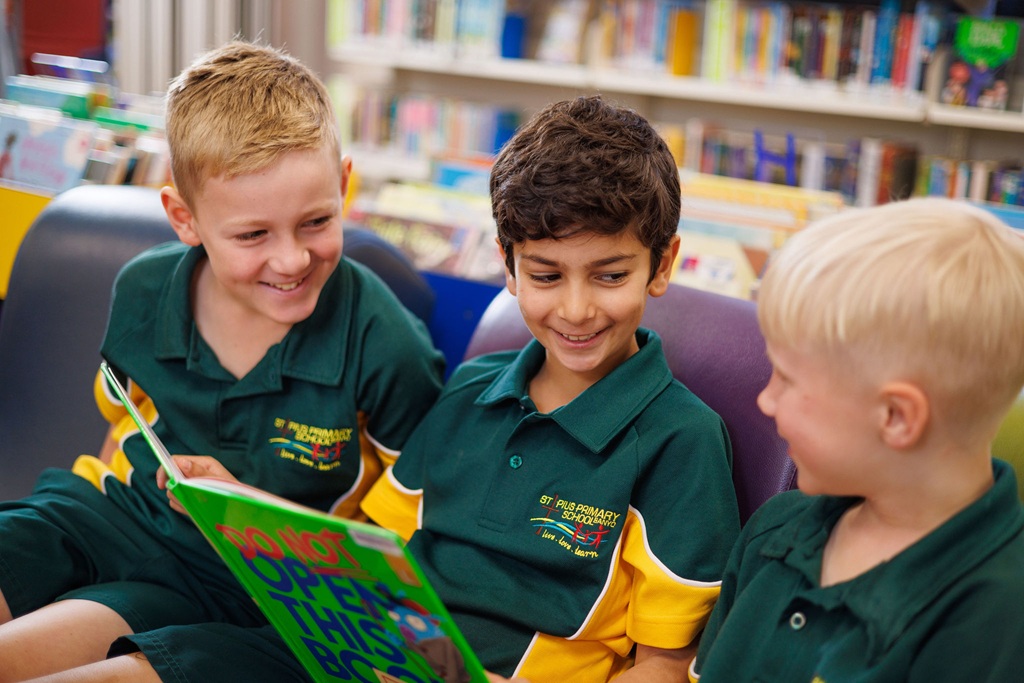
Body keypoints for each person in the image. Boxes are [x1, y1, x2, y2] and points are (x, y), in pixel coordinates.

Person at [0, 41, 444, 681]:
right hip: (112, 516)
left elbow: (404, 547)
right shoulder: (144, 291)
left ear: (345, 186)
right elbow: (126, 422)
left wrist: (245, 508)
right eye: (253, 235)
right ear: (185, 218)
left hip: (246, 580)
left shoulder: (384, 343)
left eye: (316, 221)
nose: (291, 260)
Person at [362, 95, 741, 681]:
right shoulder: (468, 390)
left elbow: (666, 669)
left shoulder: (682, 441)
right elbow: (379, 564)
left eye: (610, 275)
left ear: (661, 266)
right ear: (508, 267)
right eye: (545, 275)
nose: (577, 309)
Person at [689, 197, 1024, 682]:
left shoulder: (997, 621)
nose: (766, 400)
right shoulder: (773, 533)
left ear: (895, 417)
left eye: (787, 378)